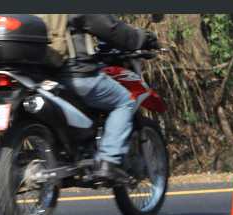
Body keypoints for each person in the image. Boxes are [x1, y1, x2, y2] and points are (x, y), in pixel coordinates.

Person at [58, 14, 160, 185]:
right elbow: (112, 30)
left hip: (42, 76)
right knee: (126, 100)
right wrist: (141, 38)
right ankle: (109, 161)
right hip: (76, 76)